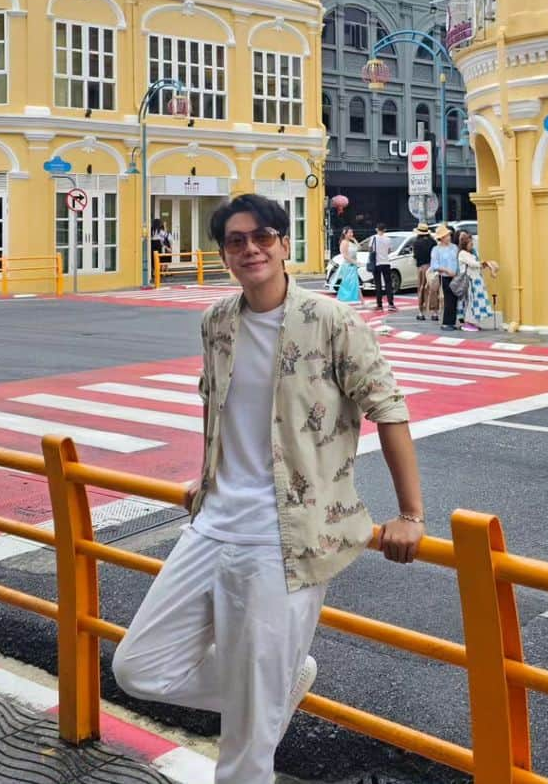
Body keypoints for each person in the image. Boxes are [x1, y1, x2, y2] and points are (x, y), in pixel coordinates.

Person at [111, 193, 424, 784]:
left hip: (286, 535)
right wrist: (207, 480)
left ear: (284, 244)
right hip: (212, 522)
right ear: (224, 254)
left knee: (248, 744)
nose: (250, 249)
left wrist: (411, 513)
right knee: (139, 667)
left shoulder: (332, 322)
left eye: (262, 237)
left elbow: (389, 410)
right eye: (235, 241)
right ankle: (279, 682)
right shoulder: (218, 322)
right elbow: (224, 412)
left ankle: (268, 692)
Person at [458, 231, 496, 332]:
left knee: (476, 302)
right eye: (470, 244)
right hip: (470, 281)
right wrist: (485, 263)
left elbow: (477, 264)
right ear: (465, 244)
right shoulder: (462, 254)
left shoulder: (471, 253)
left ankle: (473, 322)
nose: (472, 246)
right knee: (470, 302)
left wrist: (484, 264)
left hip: (476, 280)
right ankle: (468, 322)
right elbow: (473, 264)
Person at [430, 224, 460, 331]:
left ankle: (453, 321)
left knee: (455, 299)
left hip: (456, 276)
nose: (449, 237)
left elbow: (458, 260)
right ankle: (447, 322)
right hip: (445, 276)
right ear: (441, 238)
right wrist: (446, 270)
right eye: (447, 236)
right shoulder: (436, 249)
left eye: (449, 235)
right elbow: (434, 265)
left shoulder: (454, 247)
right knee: (448, 299)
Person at [412, 222, 435, 321]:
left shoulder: (416, 243)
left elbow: (415, 256)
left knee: (421, 289)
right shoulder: (433, 242)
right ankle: (435, 312)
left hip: (421, 268)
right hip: (432, 267)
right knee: (433, 289)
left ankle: (421, 312)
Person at [370, 222, 396, 312]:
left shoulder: (373, 238)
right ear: (384, 230)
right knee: (388, 283)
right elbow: (389, 250)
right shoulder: (388, 239)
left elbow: (371, 249)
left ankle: (379, 305)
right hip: (386, 262)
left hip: (377, 263)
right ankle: (390, 304)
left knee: (378, 284)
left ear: (377, 229)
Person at [335, 226, 362, 304]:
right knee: (347, 284)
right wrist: (355, 262)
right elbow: (345, 256)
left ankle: (361, 301)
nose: (351, 234)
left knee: (355, 284)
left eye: (352, 232)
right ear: (345, 233)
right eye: (349, 232)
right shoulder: (344, 242)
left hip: (352, 266)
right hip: (348, 266)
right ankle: (342, 299)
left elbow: (359, 247)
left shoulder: (350, 242)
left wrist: (354, 239)